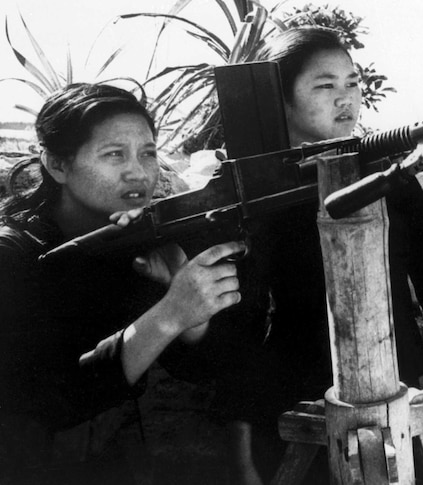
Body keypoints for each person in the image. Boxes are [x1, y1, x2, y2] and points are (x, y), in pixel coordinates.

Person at [212, 27, 423, 484]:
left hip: (396, 401)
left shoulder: (385, 175)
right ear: (279, 100)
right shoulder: (257, 196)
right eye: (325, 86)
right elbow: (240, 325)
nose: (346, 98)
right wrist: (240, 452)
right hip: (295, 409)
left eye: (352, 82)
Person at [0, 83, 245, 484]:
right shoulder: (13, 257)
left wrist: (190, 311)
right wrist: (169, 314)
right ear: (57, 164)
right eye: (114, 154)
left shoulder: (128, 239)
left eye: (147, 153)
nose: (138, 171)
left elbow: (199, 372)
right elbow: (47, 401)